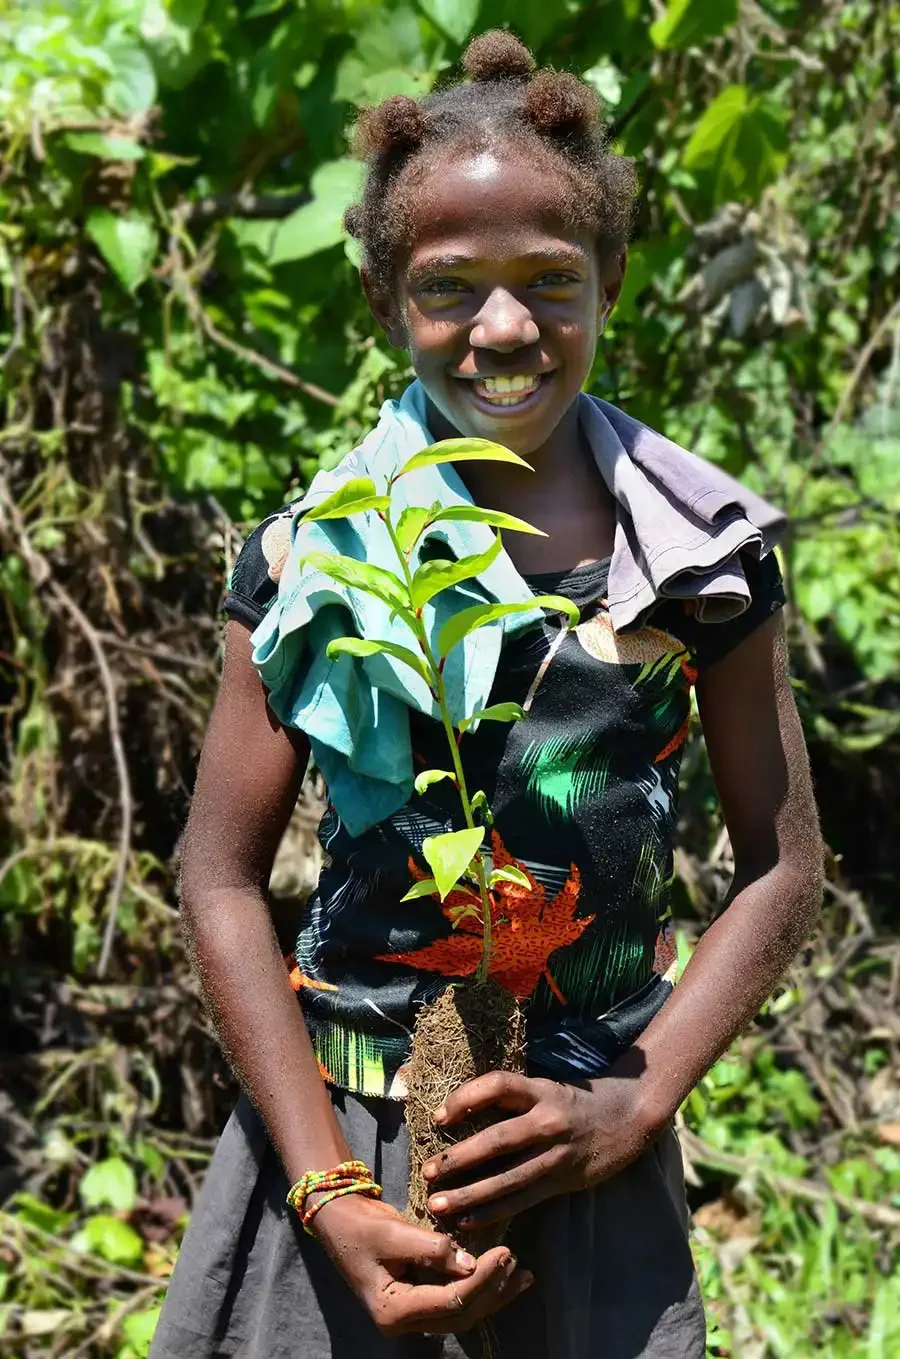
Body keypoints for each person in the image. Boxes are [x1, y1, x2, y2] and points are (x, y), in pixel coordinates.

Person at [149, 29, 823, 1359]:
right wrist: (328, 1186)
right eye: (450, 287)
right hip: (340, 1145)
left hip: (587, 1155)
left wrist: (635, 1107)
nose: (505, 326)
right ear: (387, 303)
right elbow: (218, 880)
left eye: (550, 282)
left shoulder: (700, 565)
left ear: (612, 280)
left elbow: (784, 867)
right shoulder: (314, 556)